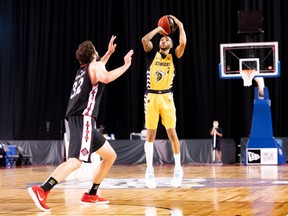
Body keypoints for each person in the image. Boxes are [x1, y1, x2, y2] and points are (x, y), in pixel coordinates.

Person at [28, 36, 133, 212]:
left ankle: (91, 193)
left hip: (80, 119)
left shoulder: (83, 70)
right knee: (75, 161)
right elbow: (105, 77)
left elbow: (98, 68)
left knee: (110, 155)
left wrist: (108, 53)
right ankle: (42, 190)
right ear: (93, 53)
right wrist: (126, 65)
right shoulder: (95, 67)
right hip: (84, 118)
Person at [141, 15, 187, 188]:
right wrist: (158, 30)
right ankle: (150, 170)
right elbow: (144, 40)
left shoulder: (173, 56)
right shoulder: (152, 54)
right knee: (151, 134)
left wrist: (180, 26)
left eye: (167, 38)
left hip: (167, 97)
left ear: (170, 44)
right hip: (151, 97)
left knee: (172, 133)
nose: (163, 40)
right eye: (162, 38)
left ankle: (178, 169)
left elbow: (182, 44)